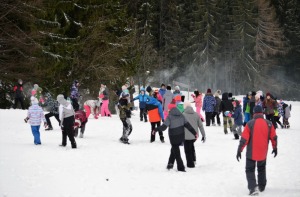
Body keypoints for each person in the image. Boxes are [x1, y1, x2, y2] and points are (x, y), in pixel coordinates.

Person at [236, 105, 277, 196]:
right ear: (262, 113)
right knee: (262, 168)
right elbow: (274, 137)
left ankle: (253, 188)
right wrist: (275, 148)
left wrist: (239, 150)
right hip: (263, 151)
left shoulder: (250, 123)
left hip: (251, 152)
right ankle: (262, 186)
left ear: (254, 113)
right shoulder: (269, 123)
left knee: (250, 169)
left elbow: (244, 139)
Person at [153, 105, 198, 172]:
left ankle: (181, 168)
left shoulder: (169, 117)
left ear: (170, 110)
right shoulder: (182, 116)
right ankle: (170, 164)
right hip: (181, 136)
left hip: (173, 137)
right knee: (174, 149)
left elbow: (164, 127)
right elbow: (188, 125)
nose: (168, 111)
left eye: (168, 110)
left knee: (177, 152)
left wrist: (155, 129)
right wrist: (195, 133)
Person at [183, 102, 206, 168]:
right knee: (191, 146)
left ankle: (190, 164)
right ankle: (193, 160)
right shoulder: (196, 114)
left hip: (186, 136)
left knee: (187, 150)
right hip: (194, 136)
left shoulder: (183, 115)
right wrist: (203, 135)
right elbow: (201, 126)